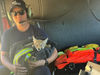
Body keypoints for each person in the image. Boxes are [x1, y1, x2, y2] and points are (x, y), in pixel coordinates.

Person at [0, 0, 58, 75]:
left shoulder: (38, 32)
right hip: (15, 66)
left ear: (27, 13)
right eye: (14, 13)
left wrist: (42, 62)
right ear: (11, 16)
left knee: (44, 71)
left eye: (21, 12)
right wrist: (11, 67)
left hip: (34, 67)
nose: (18, 16)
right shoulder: (7, 34)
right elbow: (3, 56)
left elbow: (55, 52)